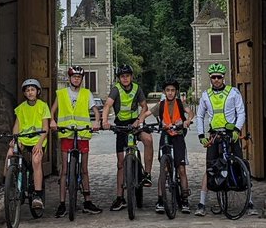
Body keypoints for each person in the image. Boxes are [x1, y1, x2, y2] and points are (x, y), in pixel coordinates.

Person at [50, 65, 102, 217]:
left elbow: (95, 111)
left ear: (81, 79)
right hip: (66, 132)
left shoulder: (86, 93)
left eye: (79, 77)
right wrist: (53, 121)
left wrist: (97, 122)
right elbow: (52, 111)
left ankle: (87, 200)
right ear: (69, 78)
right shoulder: (61, 93)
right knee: (64, 170)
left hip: (82, 132)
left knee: (84, 168)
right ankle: (62, 203)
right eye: (74, 77)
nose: (76, 79)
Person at [194, 63, 245, 217]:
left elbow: (241, 112)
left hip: (231, 133)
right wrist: (201, 135)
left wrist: (237, 129)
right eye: (213, 77)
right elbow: (200, 116)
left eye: (219, 77)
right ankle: (202, 203)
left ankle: (249, 202)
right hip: (214, 135)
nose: (216, 80)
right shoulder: (205, 95)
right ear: (210, 78)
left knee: (239, 165)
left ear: (223, 78)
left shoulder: (233, 92)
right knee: (210, 168)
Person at [102, 64, 153, 211]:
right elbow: (107, 105)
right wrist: (105, 121)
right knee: (120, 163)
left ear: (131, 76)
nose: (125, 78)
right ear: (119, 78)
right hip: (121, 127)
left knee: (148, 139)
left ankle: (147, 174)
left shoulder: (137, 88)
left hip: (135, 124)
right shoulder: (116, 89)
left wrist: (140, 120)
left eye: (127, 76)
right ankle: (120, 197)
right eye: (122, 76)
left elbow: (144, 107)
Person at [9, 78, 51, 217]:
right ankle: (5, 184)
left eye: (32, 89)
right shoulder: (21, 108)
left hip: (37, 140)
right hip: (23, 139)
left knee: (36, 160)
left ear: (38, 91)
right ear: (25, 93)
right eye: (27, 90)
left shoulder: (43, 106)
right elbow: (17, 126)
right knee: (10, 154)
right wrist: (14, 140)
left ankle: (37, 196)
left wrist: (39, 143)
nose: (30, 92)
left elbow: (45, 127)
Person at [150, 78, 193, 214]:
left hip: (179, 136)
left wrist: (188, 120)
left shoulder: (181, 103)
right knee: (164, 169)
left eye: (172, 90)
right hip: (166, 136)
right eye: (168, 90)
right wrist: (139, 122)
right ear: (164, 92)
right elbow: (147, 113)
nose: (170, 93)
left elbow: (190, 112)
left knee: (181, 168)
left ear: (176, 92)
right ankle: (160, 200)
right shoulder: (161, 105)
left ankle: (185, 199)